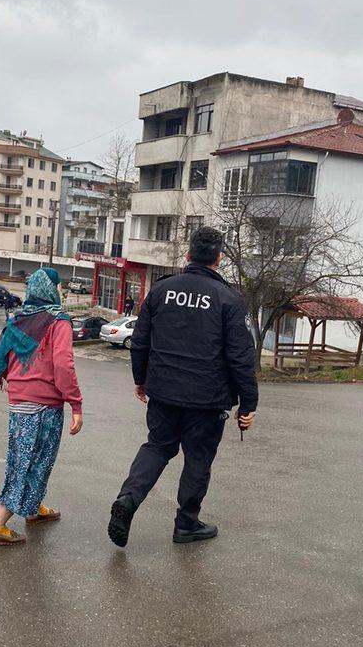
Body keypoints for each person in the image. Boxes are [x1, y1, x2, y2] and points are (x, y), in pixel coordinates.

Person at [108, 226, 258, 548]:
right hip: (207, 400)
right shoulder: (230, 299)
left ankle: (127, 500)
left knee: (158, 447)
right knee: (198, 459)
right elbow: (241, 357)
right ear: (219, 258)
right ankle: (186, 524)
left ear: (188, 255)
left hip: (163, 391)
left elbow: (140, 341)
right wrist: (248, 405)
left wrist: (141, 379)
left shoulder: (162, 290)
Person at [0, 268, 83, 545]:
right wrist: (76, 404)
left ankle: (33, 508)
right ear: (52, 288)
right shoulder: (58, 322)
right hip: (44, 407)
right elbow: (63, 365)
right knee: (29, 464)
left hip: (19, 405)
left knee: (31, 461)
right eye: (59, 286)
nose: (61, 291)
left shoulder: (18, 320)